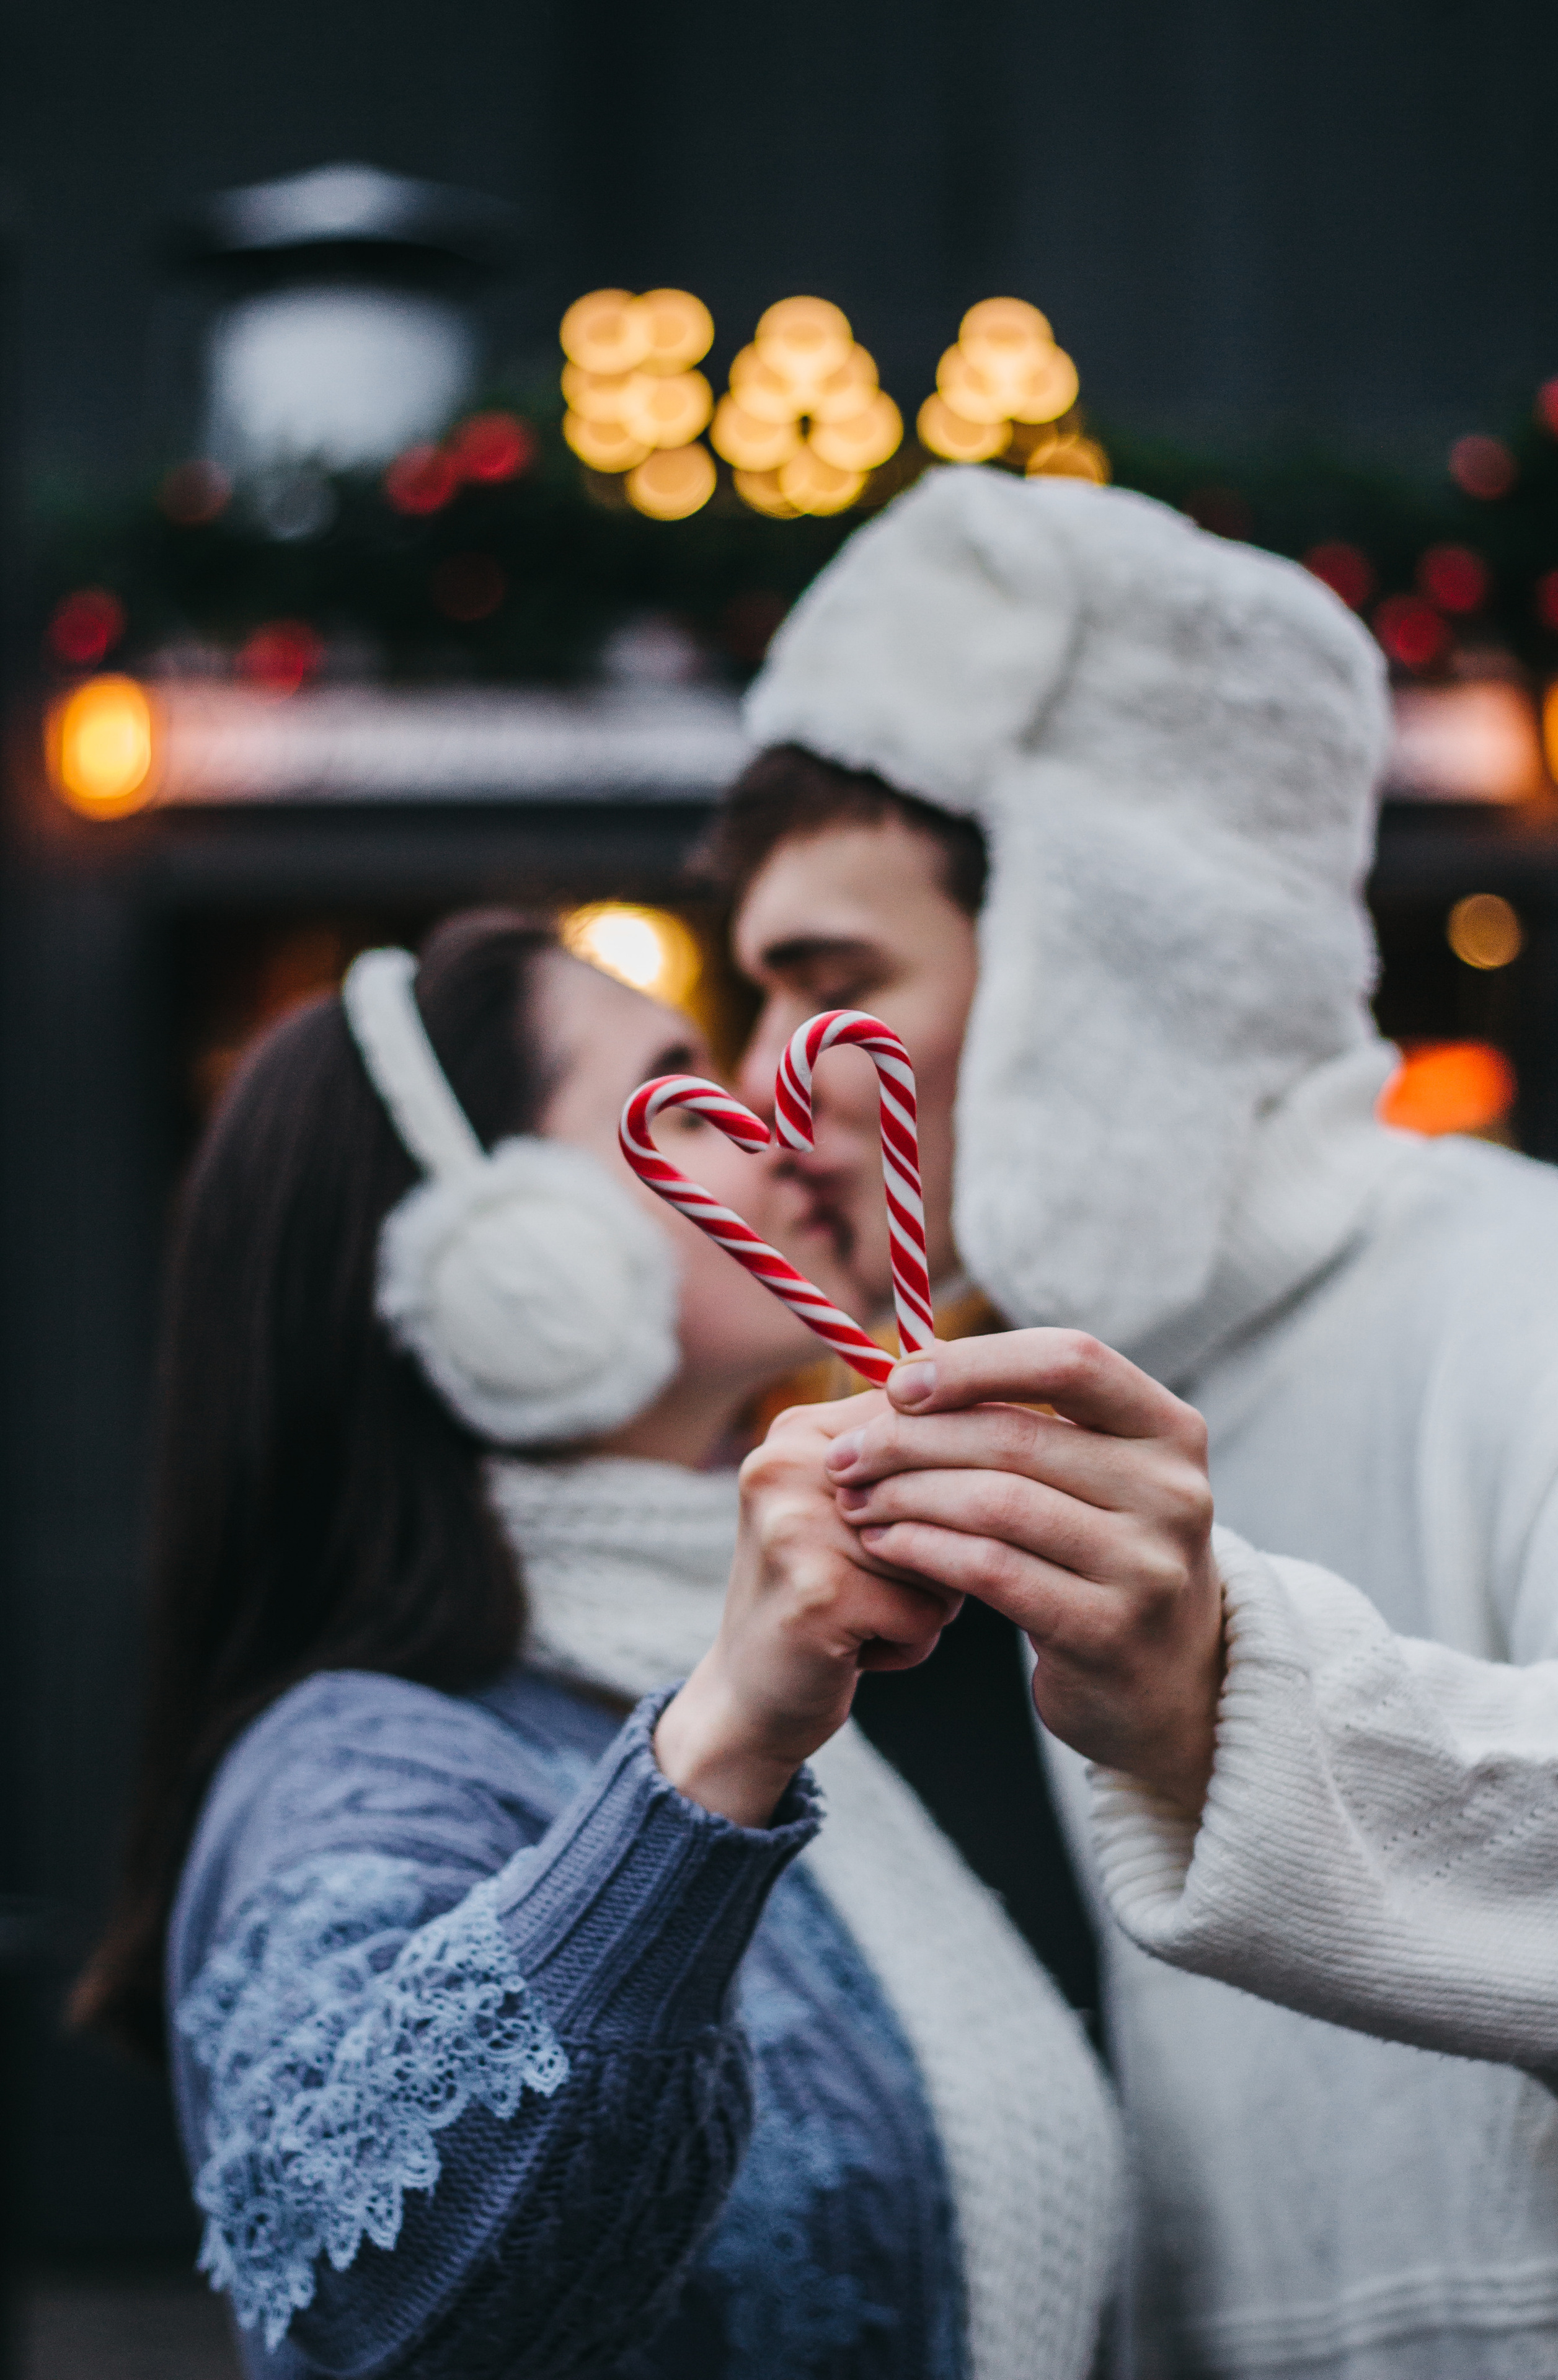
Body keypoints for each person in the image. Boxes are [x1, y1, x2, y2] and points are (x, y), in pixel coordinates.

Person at [709, 466, 1558, 2379]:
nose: (768, 1091)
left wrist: (1222, 1703)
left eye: (834, 984)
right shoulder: (1007, 1418)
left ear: (1095, 985)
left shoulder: (1543, 1301)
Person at [75, 907, 1141, 2380]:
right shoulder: (359, 1768)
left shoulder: (771, 1678)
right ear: (511, 1268)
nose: (775, 1127)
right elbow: (366, 2309)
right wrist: (714, 1759)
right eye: (672, 1083)